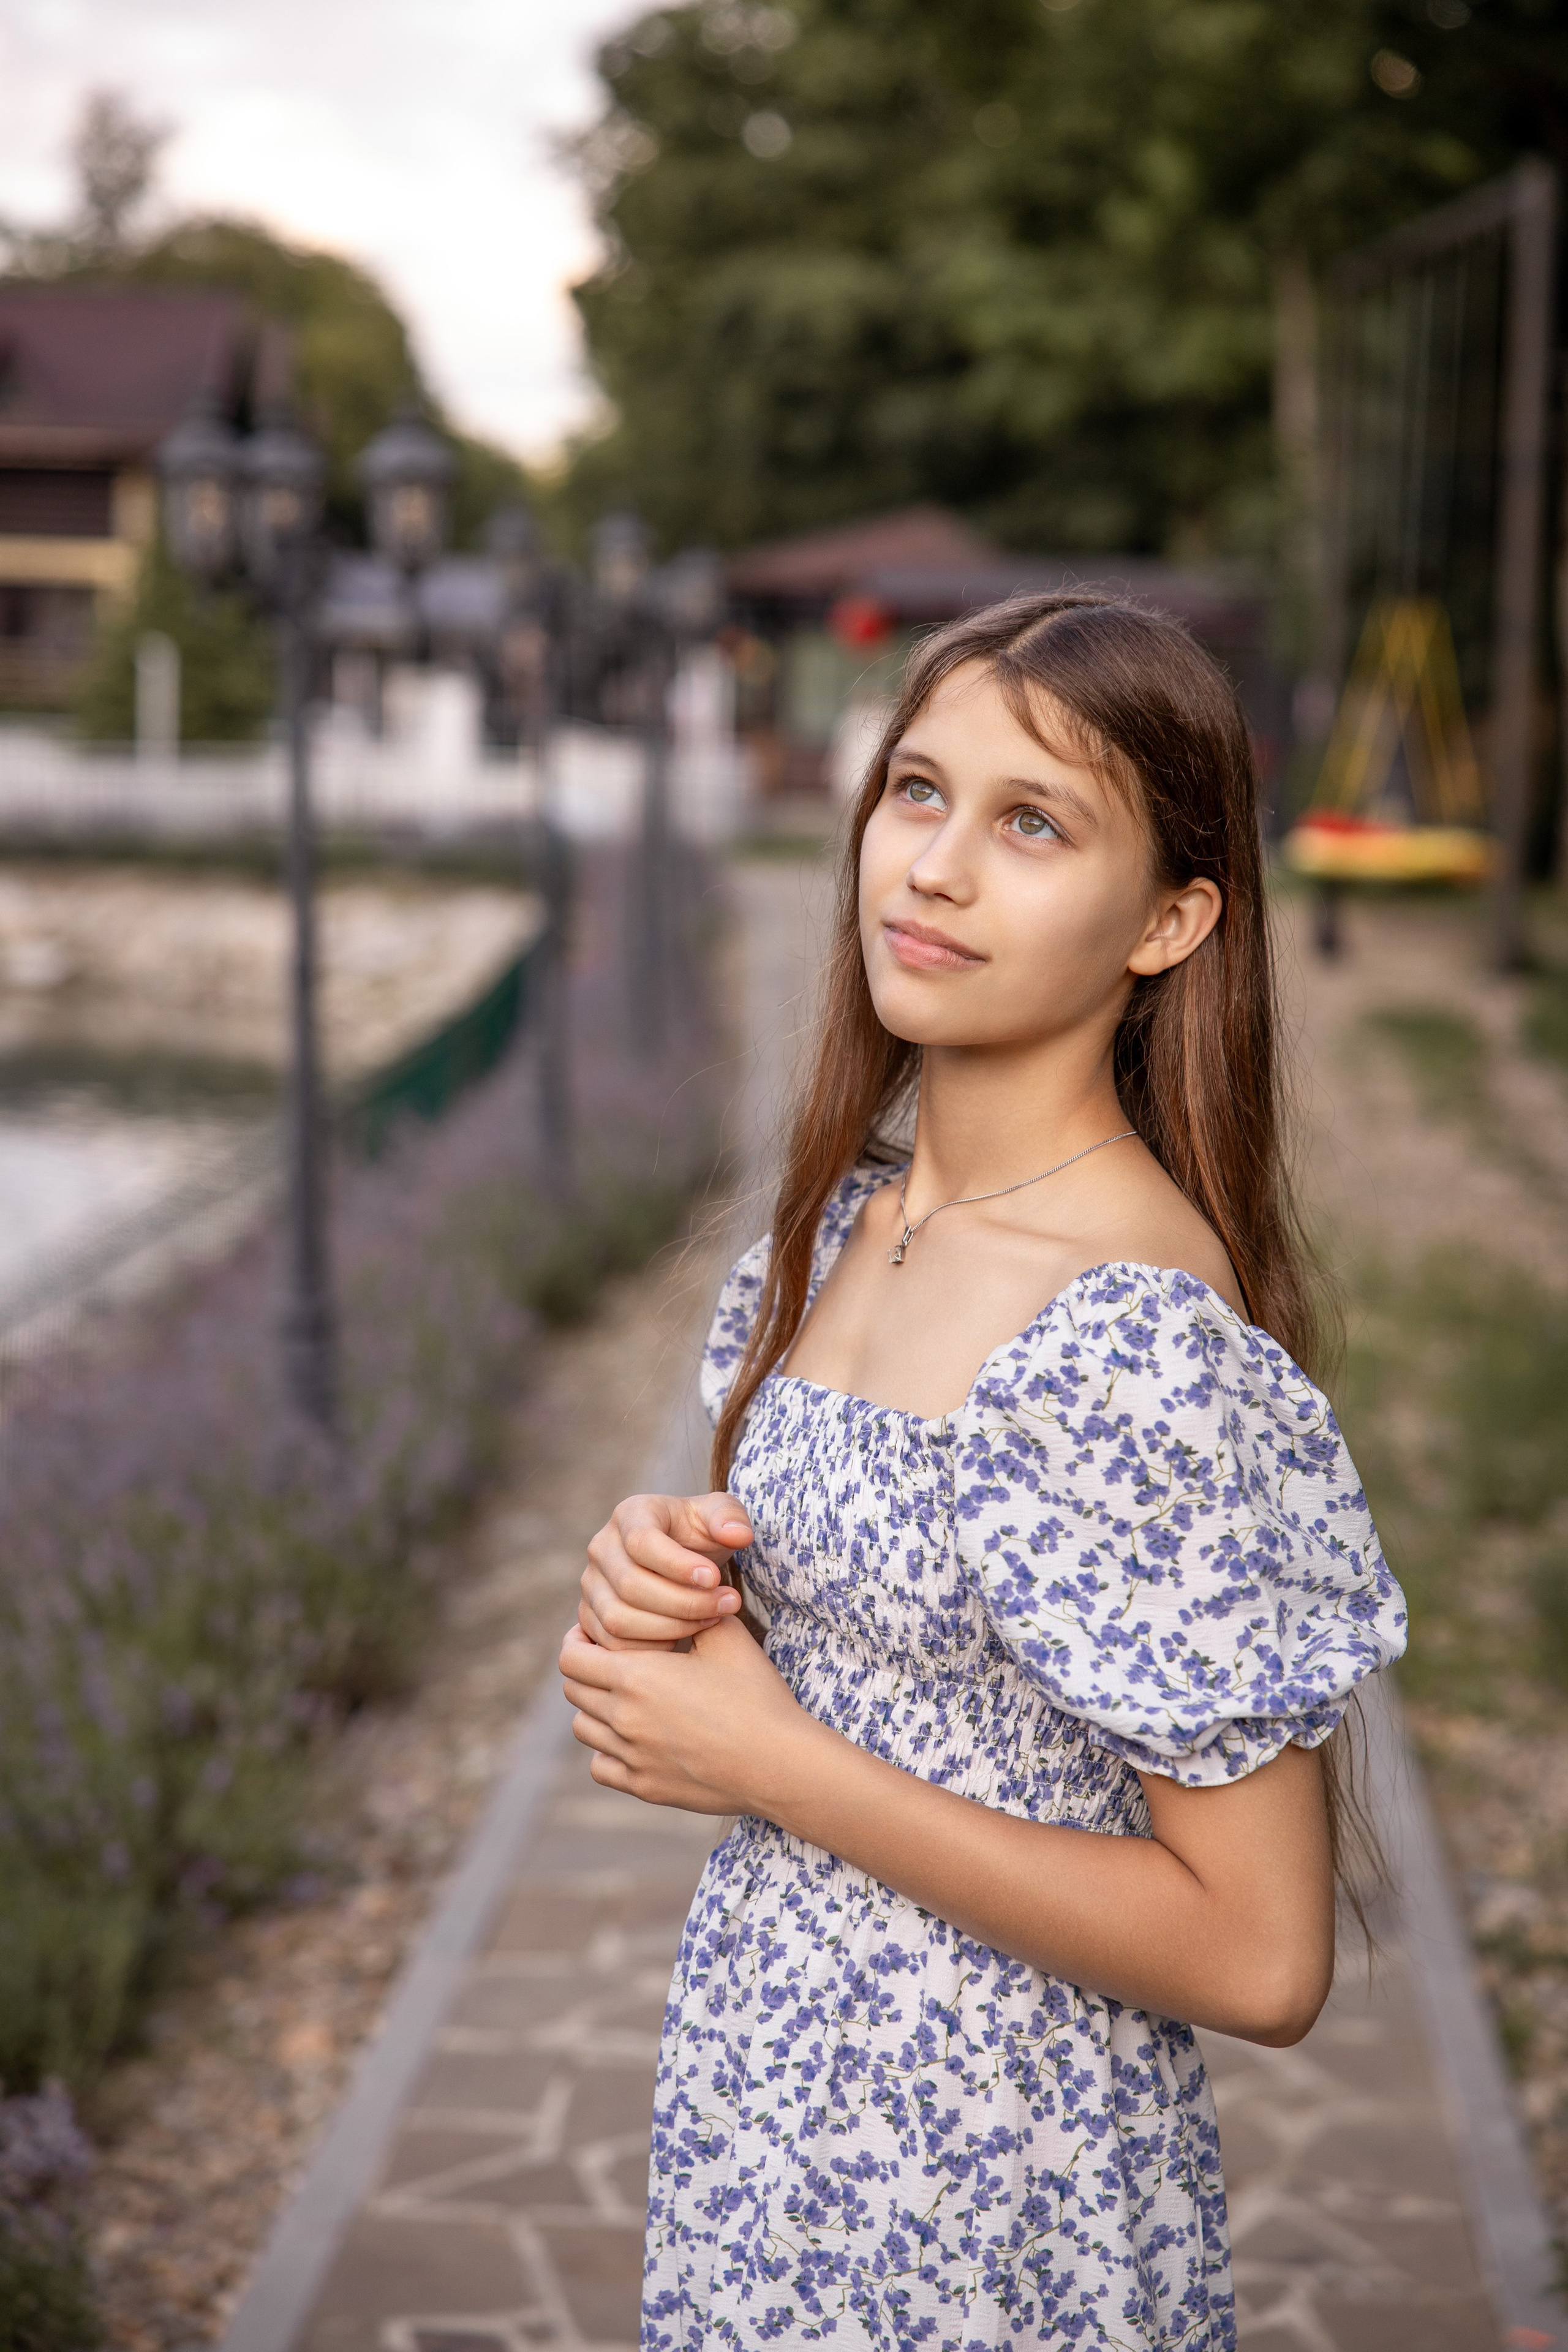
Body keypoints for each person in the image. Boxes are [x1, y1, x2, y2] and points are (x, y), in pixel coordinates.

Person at [560, 592, 1406, 2352]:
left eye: (1033, 824)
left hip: (988, 2186)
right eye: (918, 792)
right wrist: (670, 1565)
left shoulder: (1130, 1342)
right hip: (772, 2123)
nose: (934, 868)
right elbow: (870, 1619)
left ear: (1172, 922)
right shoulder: (846, 1226)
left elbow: (1262, 1957)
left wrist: (772, 1758)